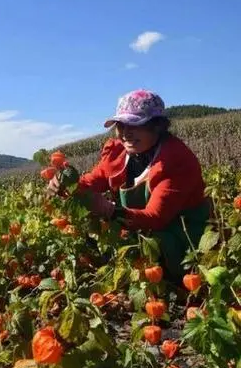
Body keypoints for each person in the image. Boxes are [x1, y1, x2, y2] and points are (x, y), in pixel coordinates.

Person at [48, 89, 210, 282]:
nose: (125, 133)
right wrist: (65, 184)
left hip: (178, 231)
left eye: (135, 125)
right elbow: (95, 179)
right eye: (121, 126)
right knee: (94, 230)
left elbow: (156, 217)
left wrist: (109, 210)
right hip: (139, 225)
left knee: (161, 256)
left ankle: (171, 282)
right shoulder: (119, 153)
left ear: (156, 126)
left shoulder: (174, 160)